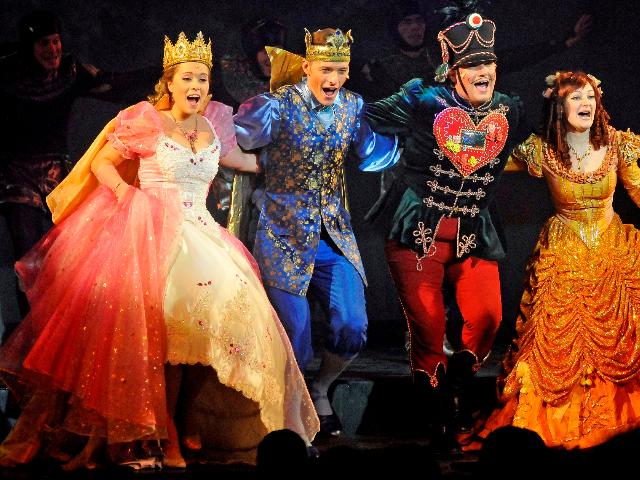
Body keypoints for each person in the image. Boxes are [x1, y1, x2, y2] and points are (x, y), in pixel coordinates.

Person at [0, 31, 319, 469]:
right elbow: (102, 163)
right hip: (149, 233)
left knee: (218, 325)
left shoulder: (213, 122)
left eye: (202, 79)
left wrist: (289, 157)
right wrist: (124, 195)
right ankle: (161, 430)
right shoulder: (147, 120)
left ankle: (192, 421)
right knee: (162, 333)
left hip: (202, 234)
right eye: (187, 78)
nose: (196, 86)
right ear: (169, 82)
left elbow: (240, 161)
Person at [364, 13, 524, 448]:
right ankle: (437, 414)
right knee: (429, 325)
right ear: (452, 71)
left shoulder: (509, 109)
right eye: (472, 65)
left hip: (473, 230)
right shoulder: (423, 99)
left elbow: (536, 142)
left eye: (488, 64)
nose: (483, 72)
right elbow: (369, 116)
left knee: (488, 318)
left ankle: (457, 384)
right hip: (418, 229)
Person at [233, 27, 399, 437]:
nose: (333, 79)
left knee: (352, 325)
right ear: (307, 67)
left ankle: (321, 387)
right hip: (282, 232)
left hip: (332, 233)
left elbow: (372, 155)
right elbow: (236, 137)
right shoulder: (277, 106)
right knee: (295, 333)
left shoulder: (352, 107)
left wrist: (417, 139)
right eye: (326, 69)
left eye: (340, 71)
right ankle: (292, 416)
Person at [478, 71, 640, 449]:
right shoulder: (542, 150)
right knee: (554, 343)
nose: (586, 104)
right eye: (576, 97)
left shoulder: (617, 144)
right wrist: (461, 134)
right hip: (563, 253)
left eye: (590, 97)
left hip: (613, 252)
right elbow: (489, 158)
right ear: (558, 105)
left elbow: (637, 187)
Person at [0, 10, 158, 337]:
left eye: (56, 41)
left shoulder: (71, 72)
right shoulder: (8, 73)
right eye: (44, 44)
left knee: (69, 251)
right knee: (27, 256)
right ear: (29, 47)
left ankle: (64, 329)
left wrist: (165, 73)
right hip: (16, 175)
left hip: (56, 172)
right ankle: (30, 333)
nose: (52, 50)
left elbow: (114, 84)